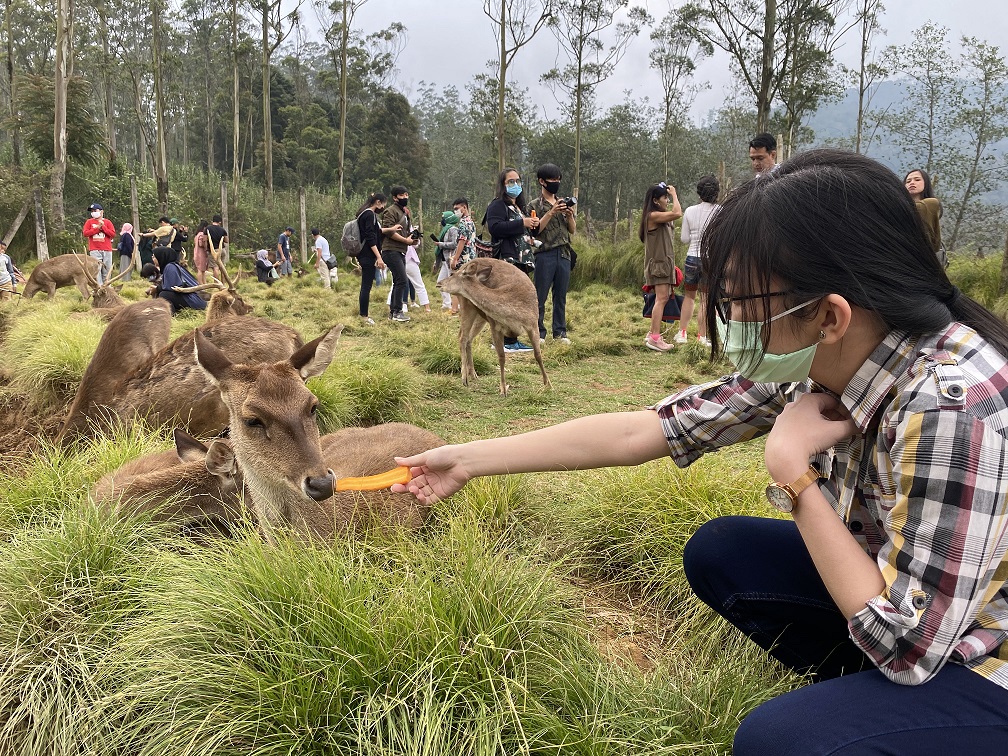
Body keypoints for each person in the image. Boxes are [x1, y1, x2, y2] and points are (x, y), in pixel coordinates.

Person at [393, 148, 1008, 754]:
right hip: (910, 603)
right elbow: (645, 431)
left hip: (982, 656)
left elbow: (907, 647)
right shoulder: (824, 356)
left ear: (829, 314)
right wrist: (469, 458)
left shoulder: (951, 405)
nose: (731, 317)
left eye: (742, 301)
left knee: (777, 741)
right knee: (723, 552)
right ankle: (858, 706)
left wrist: (794, 475)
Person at [486, 167, 540, 352]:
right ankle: (504, 342)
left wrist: (529, 230)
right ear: (502, 184)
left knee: (517, 300)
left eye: (518, 181)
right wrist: (521, 223)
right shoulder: (497, 205)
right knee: (507, 300)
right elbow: (495, 227)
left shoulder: (519, 206)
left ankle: (512, 339)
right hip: (507, 260)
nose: (515, 184)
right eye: (511, 181)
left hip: (521, 259)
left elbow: (518, 230)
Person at [528, 163, 576, 344]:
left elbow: (572, 230)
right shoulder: (534, 205)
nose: (556, 183)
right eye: (552, 180)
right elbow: (535, 230)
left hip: (563, 253)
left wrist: (570, 215)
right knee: (539, 295)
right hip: (544, 253)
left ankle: (560, 332)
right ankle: (538, 332)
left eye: (558, 180)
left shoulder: (563, 202)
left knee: (561, 295)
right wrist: (551, 212)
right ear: (542, 181)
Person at [675, 175, 719, 347]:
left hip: (692, 258)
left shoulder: (690, 211)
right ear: (716, 192)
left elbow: (685, 239)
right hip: (710, 260)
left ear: (699, 193)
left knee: (689, 297)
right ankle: (702, 336)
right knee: (706, 299)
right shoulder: (721, 211)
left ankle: (682, 333)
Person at [640, 181, 682, 352]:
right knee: (661, 299)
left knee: (661, 298)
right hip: (659, 265)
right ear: (656, 200)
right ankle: (655, 337)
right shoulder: (652, 216)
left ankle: (653, 332)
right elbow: (678, 213)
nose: (667, 201)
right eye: (665, 198)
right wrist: (675, 194)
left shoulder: (658, 216)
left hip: (663, 264)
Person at [381, 185, 415, 323]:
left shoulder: (405, 212)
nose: (405, 197)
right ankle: (397, 311)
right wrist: (405, 240)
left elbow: (404, 232)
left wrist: (412, 239)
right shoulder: (390, 211)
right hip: (391, 249)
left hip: (401, 250)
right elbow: (389, 231)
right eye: (401, 195)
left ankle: (394, 312)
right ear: (395, 198)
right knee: (402, 280)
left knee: (398, 281)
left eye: (406, 194)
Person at [357, 192, 389, 325]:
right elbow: (371, 238)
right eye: (384, 204)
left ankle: (363, 314)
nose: (383, 207)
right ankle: (364, 316)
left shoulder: (364, 213)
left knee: (366, 285)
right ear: (378, 202)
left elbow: (377, 232)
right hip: (367, 255)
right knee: (366, 286)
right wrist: (378, 256)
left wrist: (391, 229)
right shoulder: (369, 214)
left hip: (364, 254)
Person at [904, 168, 946, 267]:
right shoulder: (900, 206)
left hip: (926, 259)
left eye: (917, 180)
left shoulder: (931, 203)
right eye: (908, 181)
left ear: (926, 183)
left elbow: (916, 208)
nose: (912, 183)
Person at [151, 246, 206, 314]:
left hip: (194, 300)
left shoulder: (170, 267)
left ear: (161, 257)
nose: (152, 258)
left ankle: (171, 314)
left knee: (164, 295)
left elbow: (172, 288)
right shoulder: (174, 266)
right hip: (195, 298)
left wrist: (157, 289)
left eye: (154, 257)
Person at [434, 209, 461, 311]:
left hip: (450, 259)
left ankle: (457, 305)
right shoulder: (445, 229)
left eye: (443, 218)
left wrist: (440, 244)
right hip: (444, 260)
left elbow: (454, 243)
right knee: (440, 282)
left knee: (454, 283)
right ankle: (447, 304)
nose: (442, 220)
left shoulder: (453, 229)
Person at [82, 202, 115, 285]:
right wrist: (97, 229)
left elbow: (112, 234)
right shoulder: (89, 222)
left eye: (95, 210)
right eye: (92, 211)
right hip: (94, 249)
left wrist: (103, 227)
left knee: (107, 270)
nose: (93, 212)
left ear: (101, 212)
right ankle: (98, 287)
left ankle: (107, 287)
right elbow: (86, 233)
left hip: (107, 249)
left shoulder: (108, 222)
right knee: (97, 270)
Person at [192, 220, 211, 285]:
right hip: (200, 254)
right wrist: (206, 245)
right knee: (200, 270)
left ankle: (204, 283)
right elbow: (201, 244)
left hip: (197, 253)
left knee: (203, 270)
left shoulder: (197, 234)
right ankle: (200, 283)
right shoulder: (201, 234)